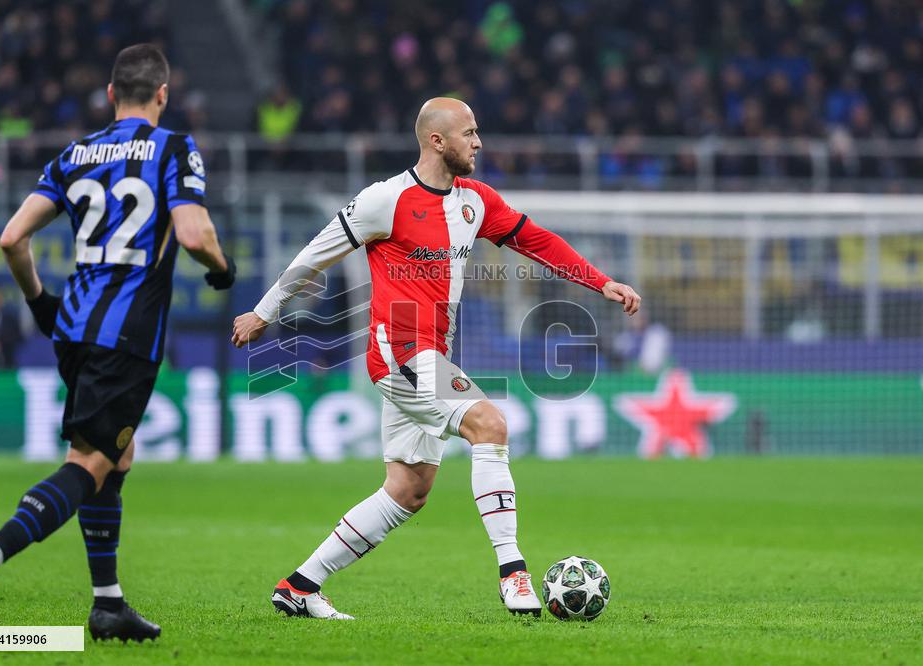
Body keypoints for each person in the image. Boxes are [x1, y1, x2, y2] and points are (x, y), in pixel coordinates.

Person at [232, 97, 641, 619]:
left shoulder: (477, 200)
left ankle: (301, 586)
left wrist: (600, 282)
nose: (478, 142)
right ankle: (513, 573)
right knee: (489, 425)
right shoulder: (387, 199)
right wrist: (263, 313)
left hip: (430, 356)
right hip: (399, 353)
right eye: (469, 133)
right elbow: (316, 252)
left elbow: (536, 241)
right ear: (436, 140)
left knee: (407, 490)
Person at [0, 44, 235, 640]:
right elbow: (192, 229)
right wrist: (221, 268)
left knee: (116, 458)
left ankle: (108, 605)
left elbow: (10, 238)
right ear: (163, 93)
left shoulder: (76, 154)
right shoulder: (172, 147)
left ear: (110, 94)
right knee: (91, 463)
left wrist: (37, 301)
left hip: (73, 328)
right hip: (125, 335)